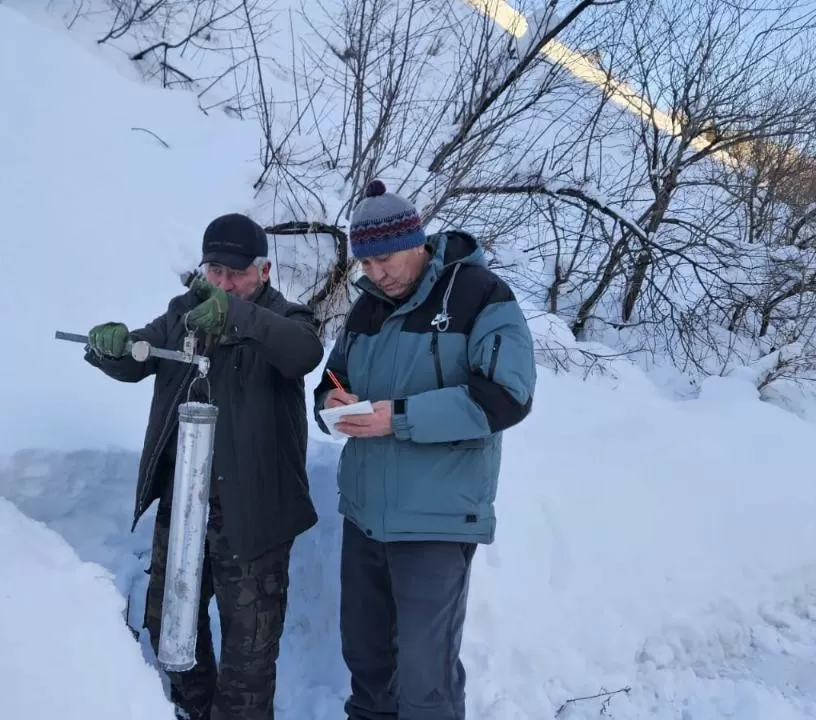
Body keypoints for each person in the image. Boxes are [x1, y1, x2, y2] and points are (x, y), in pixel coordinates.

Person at [83, 212, 324, 720]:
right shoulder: (183, 312)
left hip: (254, 516)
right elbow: (139, 357)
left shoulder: (288, 318)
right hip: (186, 507)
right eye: (214, 271)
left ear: (263, 271)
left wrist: (233, 314)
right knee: (169, 626)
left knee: (250, 652)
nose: (223, 283)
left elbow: (303, 354)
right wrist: (112, 348)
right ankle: (194, 710)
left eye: (235, 273)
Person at [312, 180, 537, 720]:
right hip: (365, 516)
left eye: (384, 259)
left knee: (424, 679)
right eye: (365, 265)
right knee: (367, 664)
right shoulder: (366, 309)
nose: (375, 273)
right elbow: (333, 376)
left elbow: (508, 396)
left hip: (436, 521)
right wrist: (333, 399)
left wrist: (399, 417)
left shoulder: (479, 295)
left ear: (416, 242)